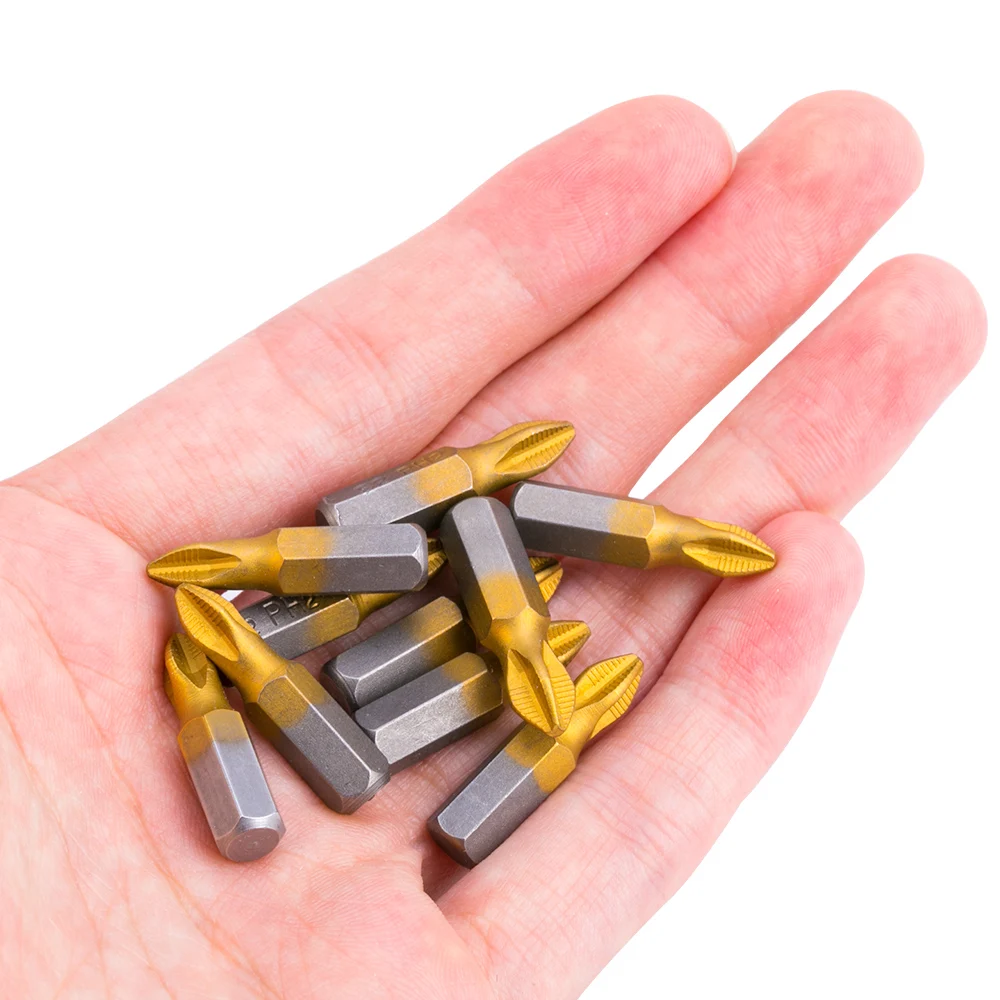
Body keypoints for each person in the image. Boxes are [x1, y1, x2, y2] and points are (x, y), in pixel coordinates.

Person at [0, 91, 985, 998]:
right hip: (371, 632)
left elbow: (463, 541)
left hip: (423, 619)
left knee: (450, 560)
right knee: (424, 577)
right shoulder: (389, 573)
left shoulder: (467, 554)